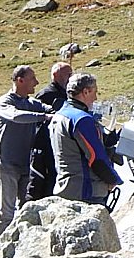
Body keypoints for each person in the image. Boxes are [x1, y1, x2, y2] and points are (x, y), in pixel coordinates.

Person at [0, 65, 52, 236]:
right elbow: (16, 116)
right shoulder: (5, 102)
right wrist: (43, 117)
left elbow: (49, 109)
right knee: (6, 214)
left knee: (26, 211)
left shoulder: (32, 103)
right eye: (32, 78)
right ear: (20, 80)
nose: (36, 82)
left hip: (27, 166)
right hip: (7, 165)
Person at [45, 72, 121, 204]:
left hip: (65, 186)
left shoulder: (60, 114)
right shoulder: (82, 119)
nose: (95, 98)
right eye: (95, 92)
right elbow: (95, 158)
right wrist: (113, 180)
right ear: (86, 92)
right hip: (86, 191)